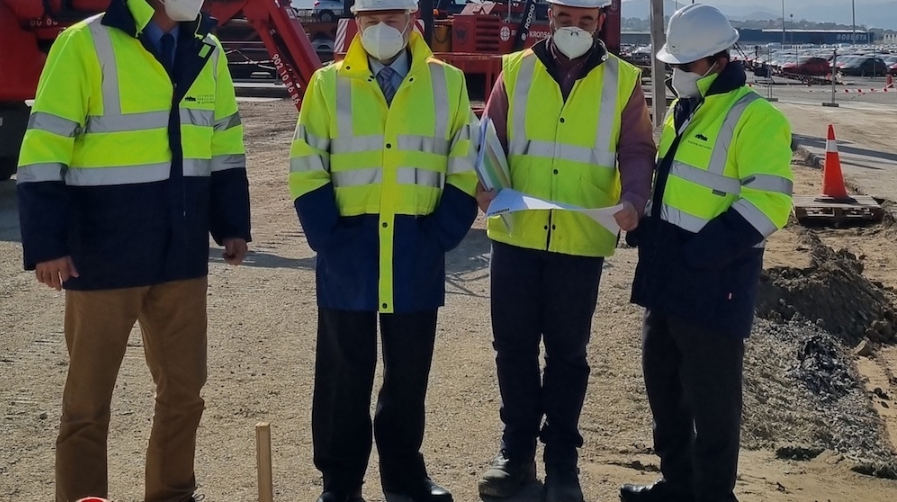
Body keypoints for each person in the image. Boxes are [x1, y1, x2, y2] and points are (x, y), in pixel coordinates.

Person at [15, 0, 250, 501]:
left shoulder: (207, 49)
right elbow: (43, 150)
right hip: (101, 255)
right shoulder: (85, 43)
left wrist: (232, 224)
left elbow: (225, 141)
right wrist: (47, 244)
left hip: (180, 255)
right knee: (87, 404)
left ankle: (171, 495)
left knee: (184, 396)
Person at [287, 0, 479, 500]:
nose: (381, 30)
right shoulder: (328, 85)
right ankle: (341, 482)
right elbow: (307, 162)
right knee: (342, 374)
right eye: (371, 21)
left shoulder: (446, 83)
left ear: (412, 22)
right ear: (356, 23)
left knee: (409, 374)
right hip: (349, 248)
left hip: (417, 246)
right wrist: (328, 237)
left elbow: (463, 160)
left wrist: (443, 233)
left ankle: (403, 476)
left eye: (392, 20)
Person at [474, 0, 656, 499]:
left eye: (585, 20)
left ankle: (562, 462)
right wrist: (484, 187)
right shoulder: (516, 70)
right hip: (516, 233)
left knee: (568, 354)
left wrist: (634, 200)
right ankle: (515, 455)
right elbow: (489, 138)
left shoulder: (622, 80)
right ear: (549, 17)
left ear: (600, 22)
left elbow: (637, 148)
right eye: (564, 18)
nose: (573, 28)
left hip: (580, 240)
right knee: (512, 348)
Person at [619, 4, 793, 502]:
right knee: (665, 390)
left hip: (717, 280)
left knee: (713, 399)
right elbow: (673, 186)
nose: (676, 74)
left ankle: (713, 493)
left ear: (717, 61)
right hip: (668, 278)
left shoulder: (755, 117)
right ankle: (678, 484)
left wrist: (701, 254)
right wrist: (646, 230)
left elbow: (769, 202)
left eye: (684, 65)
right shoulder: (684, 110)